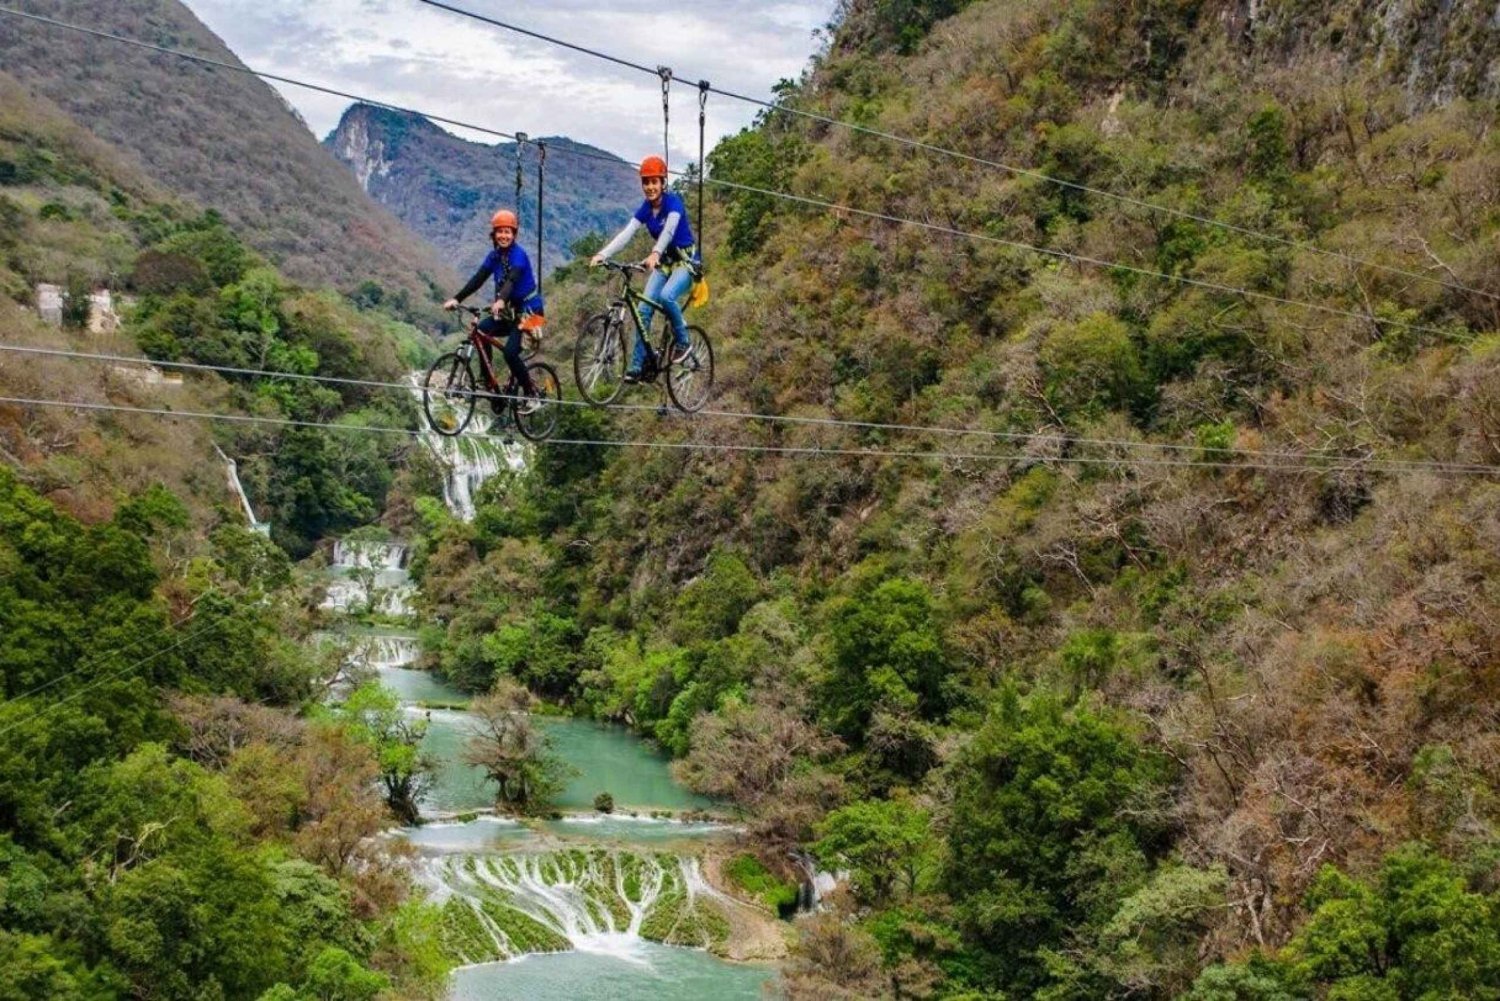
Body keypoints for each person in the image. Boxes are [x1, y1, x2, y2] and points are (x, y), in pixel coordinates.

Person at [590, 155, 699, 381]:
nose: (650, 187)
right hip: (665, 265)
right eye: (646, 182)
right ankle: (637, 366)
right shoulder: (646, 209)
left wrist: (655, 252)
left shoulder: (674, 203)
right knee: (643, 311)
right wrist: (604, 254)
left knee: (667, 297)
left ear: (663, 183)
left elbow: (669, 231)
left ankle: (683, 342)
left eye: (654, 182)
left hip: (686, 263)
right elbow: (627, 233)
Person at [444, 209, 543, 412]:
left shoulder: (519, 255)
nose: (503, 236)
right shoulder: (495, 256)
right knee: (480, 331)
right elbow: (478, 279)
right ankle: (489, 383)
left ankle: (532, 395)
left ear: (514, 234)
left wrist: (500, 300)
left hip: (533, 313)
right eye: (500, 232)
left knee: (510, 353)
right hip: (510, 312)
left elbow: (512, 279)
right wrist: (457, 298)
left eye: (508, 232)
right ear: (494, 234)